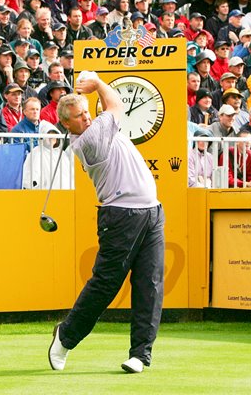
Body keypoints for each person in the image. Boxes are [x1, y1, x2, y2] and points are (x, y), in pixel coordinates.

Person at [49, 73, 165, 374]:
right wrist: (98, 83)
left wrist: (94, 91)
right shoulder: (90, 139)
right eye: (78, 116)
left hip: (152, 211)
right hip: (121, 216)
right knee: (105, 285)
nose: (86, 119)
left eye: (87, 112)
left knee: (149, 284)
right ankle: (66, 336)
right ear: (67, 124)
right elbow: (115, 105)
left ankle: (141, 354)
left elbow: (106, 108)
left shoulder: (97, 126)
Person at [22, 119, 73, 189]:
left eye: (54, 135)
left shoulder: (62, 154)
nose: (52, 138)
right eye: (49, 135)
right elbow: (31, 176)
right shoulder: (37, 152)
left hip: (66, 194)